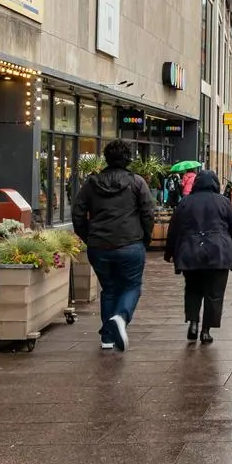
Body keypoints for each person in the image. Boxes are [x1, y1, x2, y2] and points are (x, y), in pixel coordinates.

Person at [73, 139, 154, 350]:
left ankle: (107, 338)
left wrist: (88, 236)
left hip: (99, 246)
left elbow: (78, 213)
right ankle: (120, 318)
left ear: (106, 158)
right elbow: (148, 212)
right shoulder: (137, 183)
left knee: (108, 289)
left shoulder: (91, 184)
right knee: (131, 285)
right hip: (130, 243)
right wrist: (146, 236)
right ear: (128, 159)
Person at [164, 168, 232, 344]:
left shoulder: (186, 202)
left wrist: (169, 252)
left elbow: (174, 229)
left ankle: (193, 323)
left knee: (193, 289)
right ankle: (206, 331)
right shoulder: (223, 202)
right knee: (214, 293)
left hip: (190, 252)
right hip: (218, 253)